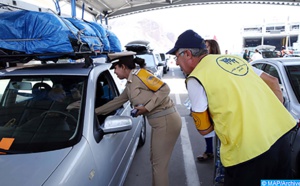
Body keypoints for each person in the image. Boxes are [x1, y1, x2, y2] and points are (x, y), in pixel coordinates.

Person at [166, 29, 296, 186]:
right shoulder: (234, 60)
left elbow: (204, 130)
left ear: (187, 54)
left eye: (176, 57)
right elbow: (273, 81)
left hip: (247, 154)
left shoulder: (196, 77)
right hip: (281, 141)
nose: (177, 62)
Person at [95, 51, 182, 186]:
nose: (115, 72)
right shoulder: (130, 83)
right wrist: (93, 111)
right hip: (159, 123)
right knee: (155, 161)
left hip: (167, 120)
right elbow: (117, 102)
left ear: (123, 67)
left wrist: (147, 107)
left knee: (159, 166)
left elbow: (164, 89)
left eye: (116, 68)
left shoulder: (140, 75)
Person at [195, 39, 221, 162]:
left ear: (213, 49)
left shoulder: (219, 64)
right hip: (207, 102)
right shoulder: (202, 66)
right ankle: (209, 150)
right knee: (207, 128)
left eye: (206, 47)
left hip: (219, 103)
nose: (203, 50)